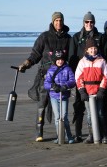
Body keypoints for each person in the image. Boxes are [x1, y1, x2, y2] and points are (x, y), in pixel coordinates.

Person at [18, 12, 71, 142]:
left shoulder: (68, 39)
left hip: (61, 79)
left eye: (60, 20)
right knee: (42, 105)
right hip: (44, 77)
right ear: (53, 22)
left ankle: (62, 134)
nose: (58, 23)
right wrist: (26, 63)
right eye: (56, 20)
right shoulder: (44, 37)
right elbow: (35, 54)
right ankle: (39, 132)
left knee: (60, 110)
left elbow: (72, 57)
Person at [68, 11, 102, 143]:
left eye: (91, 22)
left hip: (95, 80)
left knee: (96, 109)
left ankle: (95, 133)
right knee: (78, 106)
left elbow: (101, 56)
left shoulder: (100, 37)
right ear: (83, 23)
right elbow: (71, 58)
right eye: (87, 22)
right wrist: (75, 80)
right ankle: (77, 134)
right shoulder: (76, 37)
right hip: (80, 78)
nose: (89, 24)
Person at [75, 38, 107, 144]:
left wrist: (101, 90)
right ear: (87, 50)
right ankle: (91, 134)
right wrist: (82, 91)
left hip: (98, 91)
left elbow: (106, 76)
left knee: (100, 113)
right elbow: (78, 77)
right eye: (91, 48)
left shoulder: (102, 61)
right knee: (90, 114)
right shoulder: (82, 62)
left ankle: (104, 135)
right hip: (87, 92)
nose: (93, 50)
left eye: (95, 48)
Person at [44, 50, 76, 144]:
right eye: (58, 60)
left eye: (62, 59)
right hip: (54, 96)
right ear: (54, 60)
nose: (60, 61)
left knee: (64, 116)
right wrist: (53, 86)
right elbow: (46, 84)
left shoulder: (68, 69)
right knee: (57, 117)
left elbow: (73, 80)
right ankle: (59, 136)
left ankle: (69, 136)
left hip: (64, 96)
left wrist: (66, 86)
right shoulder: (50, 70)